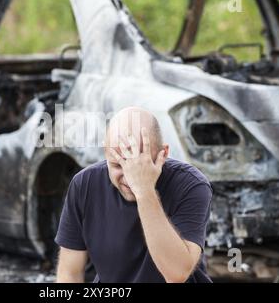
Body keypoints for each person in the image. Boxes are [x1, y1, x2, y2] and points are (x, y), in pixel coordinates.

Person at [55, 107, 213, 283]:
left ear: (164, 154)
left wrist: (145, 190)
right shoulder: (84, 185)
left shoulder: (191, 185)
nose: (130, 177)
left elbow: (176, 273)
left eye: (139, 165)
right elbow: (69, 274)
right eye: (117, 165)